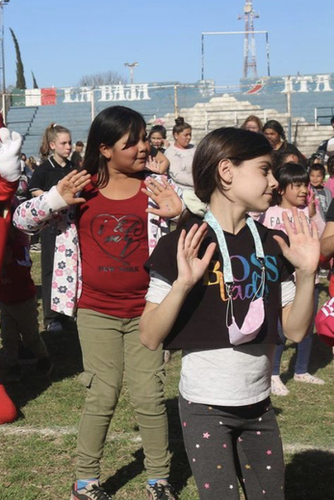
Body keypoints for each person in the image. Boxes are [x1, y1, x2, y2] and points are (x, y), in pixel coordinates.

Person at [140, 127, 320, 500]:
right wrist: (183, 285)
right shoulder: (184, 243)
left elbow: (297, 331)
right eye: (265, 170)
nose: (274, 181)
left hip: (259, 405)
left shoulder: (273, 243)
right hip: (204, 407)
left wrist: (306, 275)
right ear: (227, 172)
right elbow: (149, 335)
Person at [14, 106, 182, 500]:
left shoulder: (156, 184)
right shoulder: (79, 187)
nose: (144, 147)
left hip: (149, 309)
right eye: (133, 142)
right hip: (95, 310)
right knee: (102, 394)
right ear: (105, 148)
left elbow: (190, 229)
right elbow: (21, 221)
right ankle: (85, 482)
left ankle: (159, 478)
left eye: (145, 138)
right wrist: (56, 198)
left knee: (149, 394)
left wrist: (181, 215)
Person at [258, 163, 325, 396]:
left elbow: (323, 236)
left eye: (305, 185)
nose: (303, 190)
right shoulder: (268, 212)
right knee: (279, 328)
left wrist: (314, 216)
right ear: (282, 188)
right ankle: (274, 374)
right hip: (281, 282)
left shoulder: (309, 212)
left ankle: (301, 370)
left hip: (308, 280)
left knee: (306, 326)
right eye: (296, 185)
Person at [29, 123, 77, 332]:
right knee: (50, 269)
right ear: (52, 145)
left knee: (69, 268)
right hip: (50, 227)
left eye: (70, 143)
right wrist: (54, 200)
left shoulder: (73, 167)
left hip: (71, 226)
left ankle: (67, 311)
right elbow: (33, 189)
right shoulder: (44, 168)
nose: (68, 147)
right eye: (64, 143)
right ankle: (51, 317)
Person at [0, 216, 51, 382]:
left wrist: (9, 263)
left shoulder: (19, 247)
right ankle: (12, 366)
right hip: (4, 302)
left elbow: (25, 268)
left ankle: (44, 359)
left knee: (30, 335)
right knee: (8, 336)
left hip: (23, 301)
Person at [164, 117, 196, 191]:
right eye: (186, 135)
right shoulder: (171, 153)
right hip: (183, 191)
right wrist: (198, 182)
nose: (189, 137)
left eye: (190, 135)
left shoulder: (195, 148)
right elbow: (177, 175)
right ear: (176, 135)